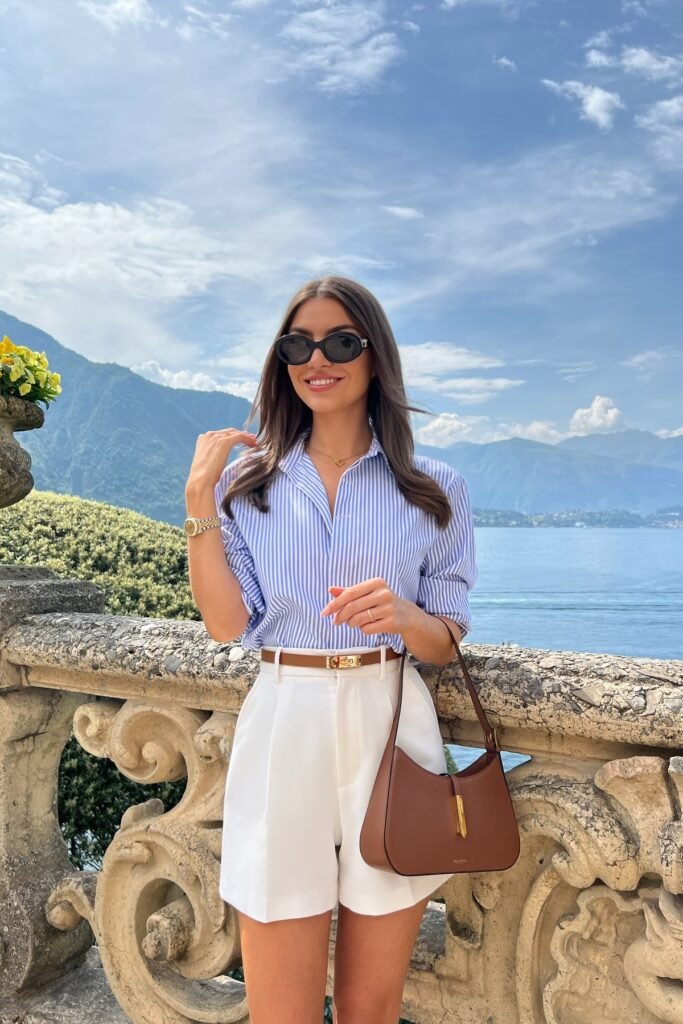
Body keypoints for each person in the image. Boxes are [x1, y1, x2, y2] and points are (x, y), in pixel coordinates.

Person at [185, 274, 478, 1024]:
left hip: (391, 718)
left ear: (374, 357)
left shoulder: (433, 488)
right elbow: (226, 624)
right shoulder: (246, 486)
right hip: (285, 716)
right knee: (280, 1006)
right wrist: (197, 507)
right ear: (281, 361)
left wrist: (404, 616)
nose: (319, 358)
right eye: (298, 344)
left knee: (370, 1006)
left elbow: (442, 640)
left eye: (340, 341)